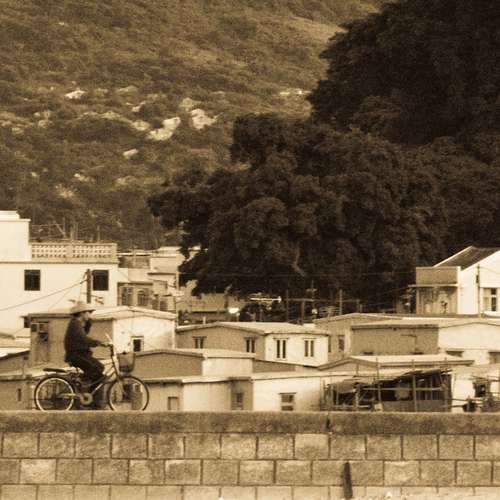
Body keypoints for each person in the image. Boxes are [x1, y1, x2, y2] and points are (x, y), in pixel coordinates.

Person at [64, 301, 108, 408]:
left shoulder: (78, 324)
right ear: (82, 313)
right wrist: (99, 343)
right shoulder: (75, 324)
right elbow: (83, 339)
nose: (90, 315)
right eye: (89, 312)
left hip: (80, 354)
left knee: (99, 370)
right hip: (76, 355)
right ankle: (83, 386)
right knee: (97, 369)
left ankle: (92, 401)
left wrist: (89, 323)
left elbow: (84, 335)